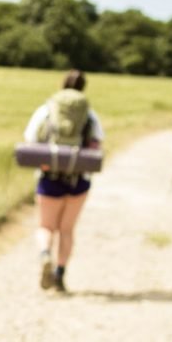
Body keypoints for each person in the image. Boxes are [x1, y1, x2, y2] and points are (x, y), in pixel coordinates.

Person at [25, 71, 105, 292]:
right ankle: (60, 275)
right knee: (67, 230)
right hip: (78, 180)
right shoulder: (89, 114)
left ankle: (45, 255)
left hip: (49, 177)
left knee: (46, 226)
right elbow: (97, 144)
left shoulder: (47, 110)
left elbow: (30, 138)